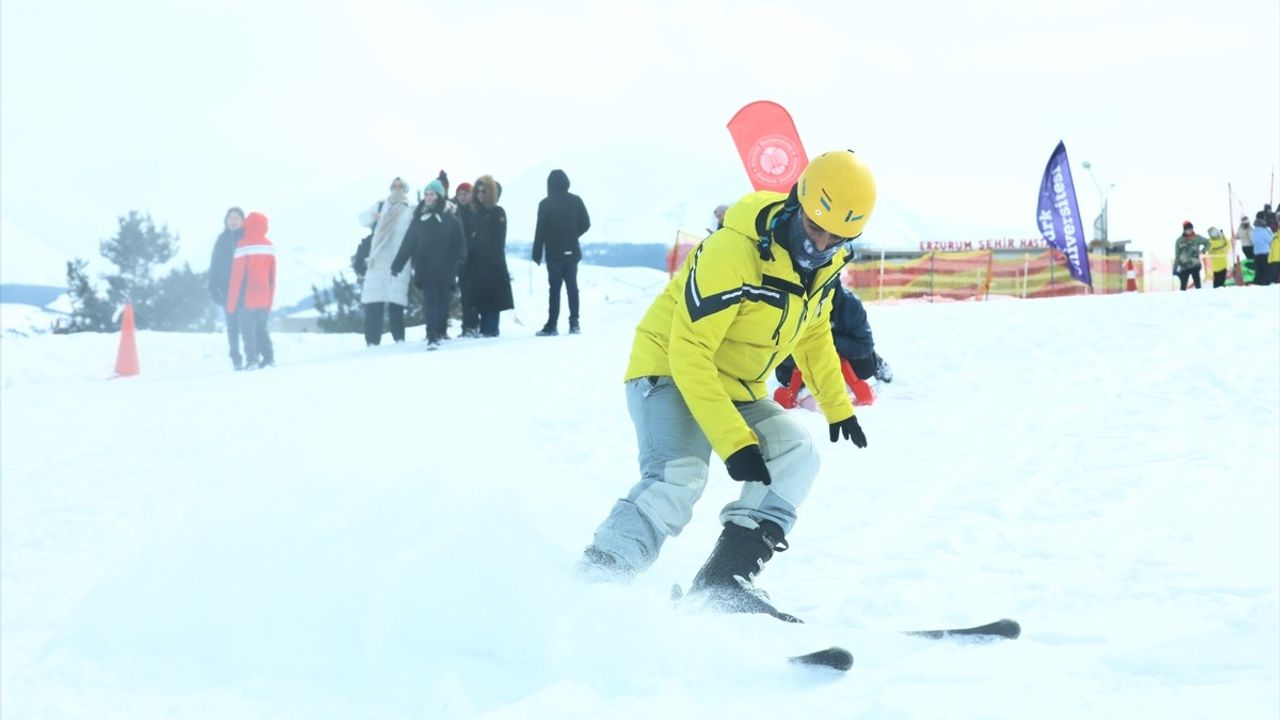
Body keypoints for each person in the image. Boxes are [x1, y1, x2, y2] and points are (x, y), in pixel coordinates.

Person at [576, 150, 877, 622]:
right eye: (816, 228)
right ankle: (594, 586)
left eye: (838, 237)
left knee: (797, 452)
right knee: (680, 476)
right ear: (798, 202)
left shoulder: (826, 265)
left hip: (735, 384)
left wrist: (838, 407)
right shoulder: (732, 251)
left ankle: (724, 582)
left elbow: (815, 331)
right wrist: (734, 443)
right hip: (668, 369)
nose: (821, 244)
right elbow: (689, 352)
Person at [773, 284, 893, 403]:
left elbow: (864, 346)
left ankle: (878, 363)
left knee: (866, 368)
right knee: (784, 376)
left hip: (845, 353)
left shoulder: (850, 305)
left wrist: (829, 340)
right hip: (808, 353)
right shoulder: (791, 303)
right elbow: (779, 347)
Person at [391, 179, 466, 350]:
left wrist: (460, 259)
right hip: (426, 268)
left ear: (439, 196)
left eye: (432, 194)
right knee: (431, 301)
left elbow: (459, 242)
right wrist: (397, 265)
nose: (428, 197)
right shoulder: (419, 219)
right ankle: (432, 335)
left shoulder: (450, 218)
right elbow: (407, 244)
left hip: (446, 268)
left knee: (443, 302)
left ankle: (440, 331)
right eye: (426, 194)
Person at [533, 169, 591, 336]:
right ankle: (574, 324)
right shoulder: (576, 200)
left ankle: (552, 325)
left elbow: (540, 231)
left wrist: (537, 253)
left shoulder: (545, 204)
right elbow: (586, 223)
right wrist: (573, 234)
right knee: (572, 288)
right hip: (572, 251)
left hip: (554, 253)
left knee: (555, 289)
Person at [358, 177, 415, 345]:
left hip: (398, 261)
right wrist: (373, 215)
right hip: (377, 260)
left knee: (396, 303)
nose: (397, 188)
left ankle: (399, 341)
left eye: (400, 186)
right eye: (395, 186)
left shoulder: (410, 209)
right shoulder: (381, 205)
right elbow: (362, 219)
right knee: (374, 304)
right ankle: (372, 342)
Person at [460, 175, 513, 337]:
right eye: (478, 191)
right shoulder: (475, 213)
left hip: (492, 265)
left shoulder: (497, 212)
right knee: (480, 301)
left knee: (492, 302)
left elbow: (498, 241)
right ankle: (484, 330)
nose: (481, 194)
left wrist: (492, 261)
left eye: (484, 191)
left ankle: (491, 330)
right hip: (476, 265)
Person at [225, 211, 276, 369]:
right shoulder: (269, 246)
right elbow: (272, 277)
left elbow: (236, 277)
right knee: (262, 328)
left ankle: (252, 360)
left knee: (247, 330)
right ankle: (269, 358)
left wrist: (231, 304)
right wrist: (269, 301)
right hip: (264, 295)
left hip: (248, 296)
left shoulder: (243, 245)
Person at [208, 207, 245, 369]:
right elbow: (214, 264)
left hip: (245, 290)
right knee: (232, 326)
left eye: (237, 218)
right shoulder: (221, 240)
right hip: (226, 290)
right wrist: (214, 288)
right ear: (226, 220)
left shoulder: (247, 238)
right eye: (230, 218)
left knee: (248, 324)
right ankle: (236, 358)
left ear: (242, 221)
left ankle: (253, 355)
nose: (233, 221)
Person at [1173, 221, 1209, 290]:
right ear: (1184, 230)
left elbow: (1208, 243)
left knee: (1197, 285)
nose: (1189, 231)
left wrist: (1203, 251)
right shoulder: (1179, 241)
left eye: (1191, 229)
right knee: (1183, 286)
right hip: (1184, 267)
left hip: (1195, 265)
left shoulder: (1197, 238)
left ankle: (1200, 298)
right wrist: (1175, 267)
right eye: (1187, 229)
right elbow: (1177, 255)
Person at [1252, 212, 1274, 286]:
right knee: (1265, 269)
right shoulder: (1264, 231)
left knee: (1258, 269)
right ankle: (1265, 282)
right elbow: (1271, 240)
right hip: (1265, 252)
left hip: (1256, 252)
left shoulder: (1253, 231)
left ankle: (1257, 282)